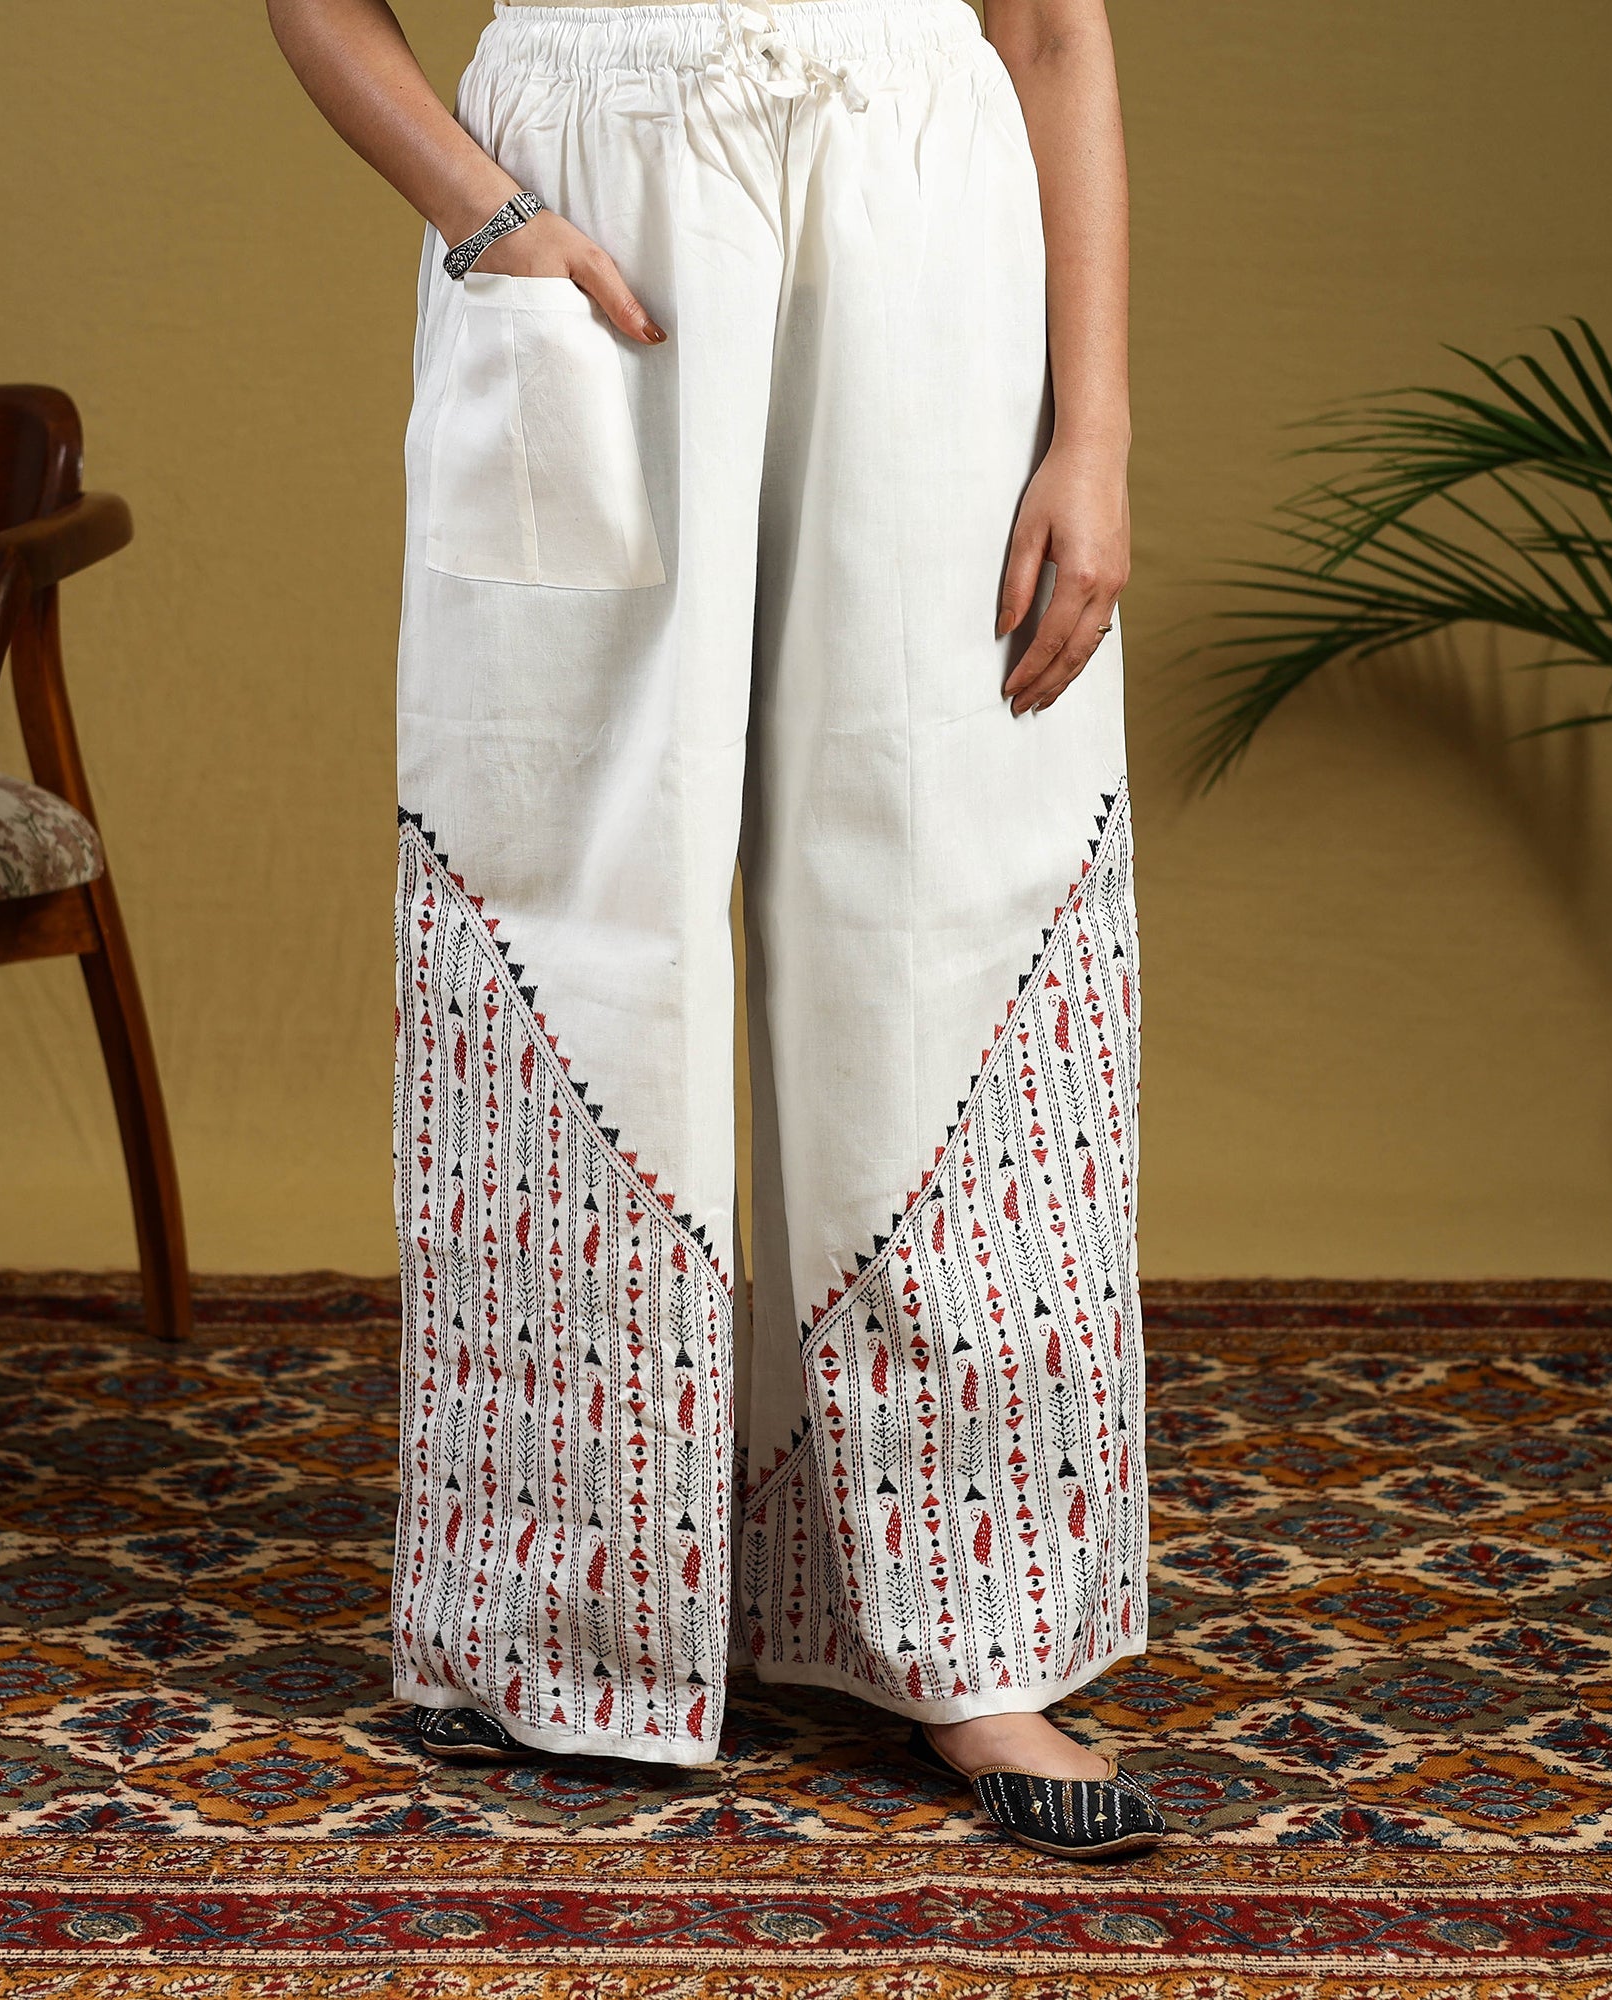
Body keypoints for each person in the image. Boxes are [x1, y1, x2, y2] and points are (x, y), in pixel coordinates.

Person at [268, 0, 1154, 1858]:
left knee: (941, 881)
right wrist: (488, 212)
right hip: (585, 203)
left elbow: (1054, 30)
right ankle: (564, 1608)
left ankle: (971, 1638)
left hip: (927, 199)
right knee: (569, 880)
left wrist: (1098, 432)